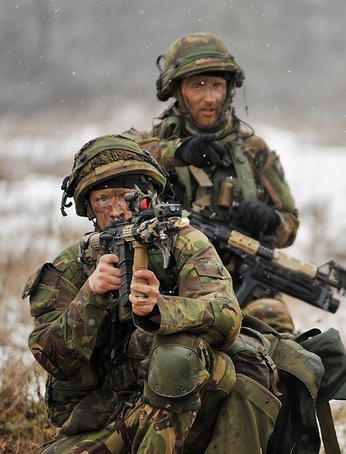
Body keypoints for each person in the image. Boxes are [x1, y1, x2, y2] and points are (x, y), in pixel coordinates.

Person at [0, 134, 243, 454]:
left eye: (126, 195)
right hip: (113, 415)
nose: (116, 208)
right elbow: (54, 358)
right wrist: (91, 295)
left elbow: (226, 317)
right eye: (102, 198)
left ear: (147, 195)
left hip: (190, 403)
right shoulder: (73, 267)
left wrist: (164, 310)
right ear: (88, 206)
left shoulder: (183, 243)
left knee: (175, 355)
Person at [125, 32, 300, 334]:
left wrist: (270, 221)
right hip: (169, 285)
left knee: (276, 326)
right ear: (177, 90)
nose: (210, 98)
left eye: (217, 85)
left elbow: (290, 226)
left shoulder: (253, 150)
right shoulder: (152, 143)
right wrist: (178, 151)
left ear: (229, 89)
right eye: (198, 86)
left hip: (243, 284)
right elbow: (114, 155)